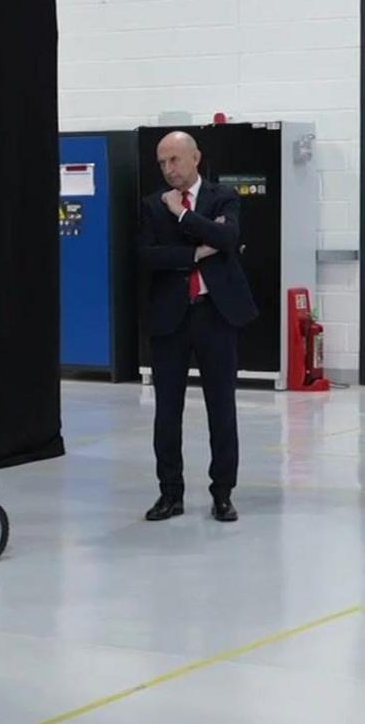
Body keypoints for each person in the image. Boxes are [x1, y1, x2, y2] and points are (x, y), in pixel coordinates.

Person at [138, 131, 257, 523]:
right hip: (171, 317)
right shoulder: (151, 205)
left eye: (174, 160)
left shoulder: (222, 197)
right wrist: (194, 251)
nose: (168, 169)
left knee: (221, 407)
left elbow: (227, 236)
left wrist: (184, 216)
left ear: (196, 158)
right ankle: (169, 493)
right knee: (166, 411)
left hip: (215, 313)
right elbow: (148, 256)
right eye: (162, 163)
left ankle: (222, 492)